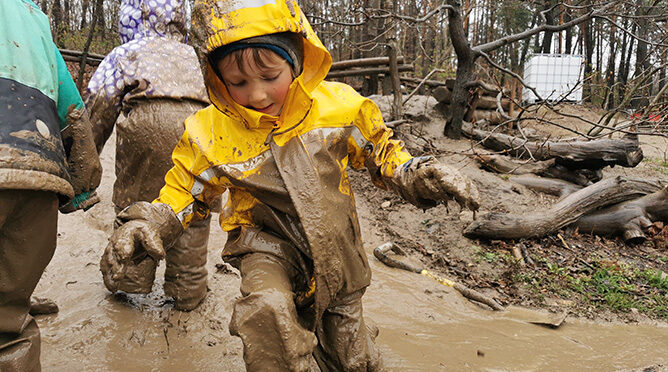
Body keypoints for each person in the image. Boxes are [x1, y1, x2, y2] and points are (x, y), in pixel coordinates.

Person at [100, 0, 480, 370]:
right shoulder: (210, 133)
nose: (257, 94)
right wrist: (149, 223)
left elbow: (383, 153)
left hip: (338, 254)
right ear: (216, 79)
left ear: (297, 59)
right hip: (266, 247)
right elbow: (183, 193)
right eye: (237, 82)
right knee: (266, 311)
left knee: (352, 359)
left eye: (270, 77)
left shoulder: (339, 108)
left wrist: (417, 174)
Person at [86, 0, 212, 311]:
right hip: (197, 135)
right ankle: (188, 287)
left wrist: (86, 159)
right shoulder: (196, 56)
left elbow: (100, 104)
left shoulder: (125, 53)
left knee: (135, 209)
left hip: (146, 133)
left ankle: (128, 281)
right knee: (193, 214)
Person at [0, 0, 102, 371]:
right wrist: (83, 187)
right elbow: (71, 105)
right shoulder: (34, 17)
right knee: (9, 320)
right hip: (38, 175)